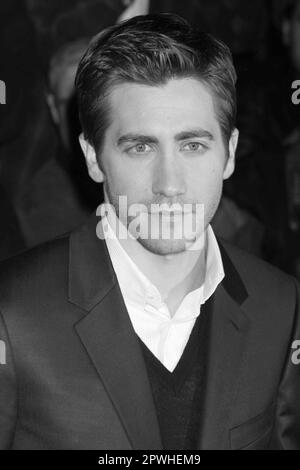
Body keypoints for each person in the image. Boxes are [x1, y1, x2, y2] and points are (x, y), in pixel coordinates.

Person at [0, 13, 299, 450]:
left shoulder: (281, 305)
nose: (169, 185)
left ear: (229, 153)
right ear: (93, 157)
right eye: (140, 147)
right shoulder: (12, 314)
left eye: (193, 145)